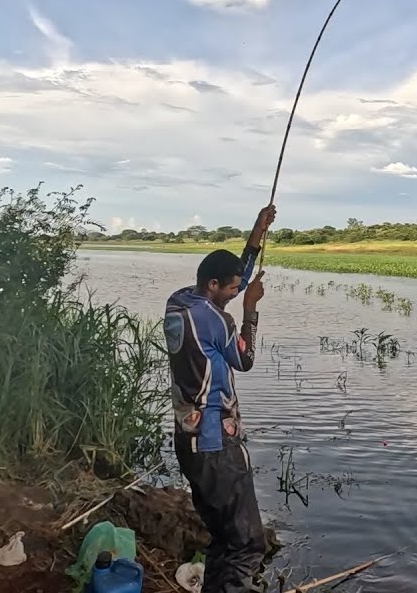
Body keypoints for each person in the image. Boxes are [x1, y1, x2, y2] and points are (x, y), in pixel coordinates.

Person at [163, 204, 276, 593]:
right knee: (247, 544)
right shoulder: (218, 320)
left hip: (188, 443)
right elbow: (244, 359)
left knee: (223, 539)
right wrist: (250, 310)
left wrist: (256, 233)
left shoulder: (178, 302)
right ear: (214, 287)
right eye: (230, 289)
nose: (237, 290)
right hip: (217, 445)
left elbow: (236, 276)